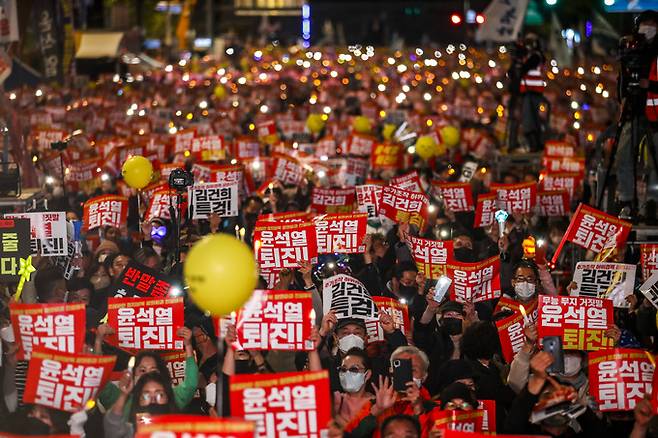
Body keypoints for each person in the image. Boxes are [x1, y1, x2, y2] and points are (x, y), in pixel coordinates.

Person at [104, 371, 178, 438]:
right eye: (146, 396)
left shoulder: (183, 427)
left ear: (168, 398)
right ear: (139, 401)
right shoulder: (131, 432)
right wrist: (123, 395)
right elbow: (113, 427)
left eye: (159, 395)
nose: (153, 400)